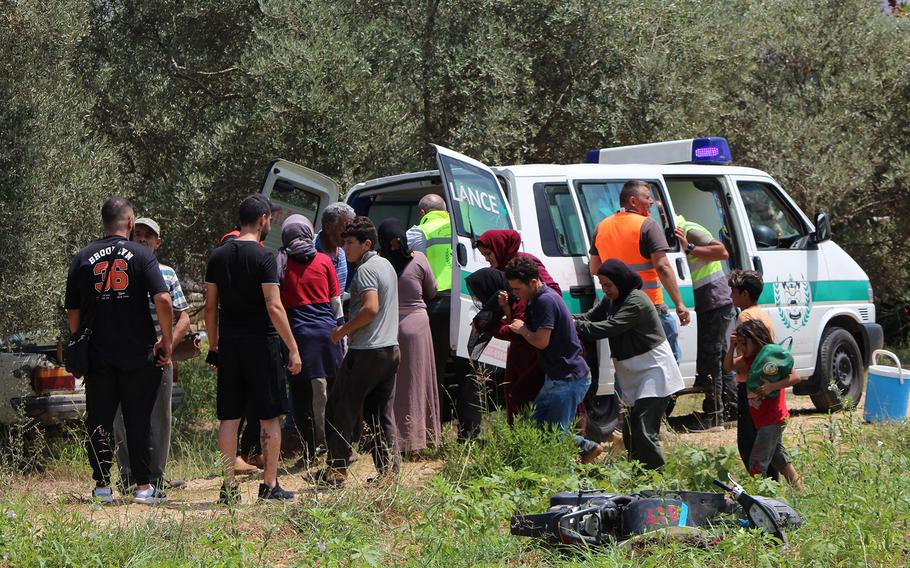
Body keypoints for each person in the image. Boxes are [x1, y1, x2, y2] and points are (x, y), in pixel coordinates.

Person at [64, 197, 173, 505]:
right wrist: (166, 339)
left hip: (98, 354)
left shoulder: (83, 257)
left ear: (104, 222)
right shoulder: (141, 254)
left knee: (99, 419)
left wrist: (77, 339)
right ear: (129, 222)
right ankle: (142, 488)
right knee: (138, 419)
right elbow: (163, 300)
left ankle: (101, 486)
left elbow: (72, 309)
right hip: (137, 353)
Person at [204, 193, 301, 503]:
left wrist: (215, 345)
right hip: (262, 344)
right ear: (262, 220)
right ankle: (269, 485)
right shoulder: (264, 257)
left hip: (230, 346)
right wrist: (293, 348)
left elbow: (209, 308)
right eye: (270, 219)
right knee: (269, 417)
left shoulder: (217, 257)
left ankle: (228, 487)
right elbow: (274, 306)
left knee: (229, 418)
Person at [574, 259, 684, 469]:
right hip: (632, 371)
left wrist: (572, 324)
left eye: (608, 285)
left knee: (643, 428)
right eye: (602, 285)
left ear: (621, 281)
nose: (605, 290)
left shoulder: (636, 301)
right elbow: (589, 318)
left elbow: (608, 327)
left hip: (653, 369)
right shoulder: (611, 300)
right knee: (630, 431)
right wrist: (565, 318)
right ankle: (638, 474)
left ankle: (656, 479)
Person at [317, 216, 400, 486]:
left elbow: (371, 308)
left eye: (350, 243)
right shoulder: (385, 264)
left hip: (367, 350)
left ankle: (336, 472)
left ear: (366, 244)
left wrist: (343, 331)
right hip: (390, 349)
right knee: (379, 414)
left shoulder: (366, 270)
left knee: (341, 407)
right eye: (343, 243)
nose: (345, 249)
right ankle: (389, 473)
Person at [112, 217, 190, 494]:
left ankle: (155, 477)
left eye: (149, 235)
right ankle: (128, 477)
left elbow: (184, 317)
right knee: (121, 417)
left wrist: (168, 343)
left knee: (159, 417)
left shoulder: (167, 273)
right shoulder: (119, 271)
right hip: (125, 355)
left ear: (158, 242)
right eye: (138, 234)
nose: (143, 239)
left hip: (159, 356)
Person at [503, 257, 604, 464]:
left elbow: (541, 341)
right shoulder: (535, 298)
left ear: (533, 283)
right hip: (556, 377)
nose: (516, 294)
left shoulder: (545, 300)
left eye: (518, 289)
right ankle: (579, 455)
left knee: (557, 435)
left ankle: (580, 460)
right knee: (538, 428)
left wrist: (522, 330)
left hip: (568, 378)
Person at [588, 180, 690, 361]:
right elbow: (662, 267)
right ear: (633, 201)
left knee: (627, 362)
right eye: (648, 197)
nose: (651, 202)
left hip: (619, 309)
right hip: (651, 307)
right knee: (666, 362)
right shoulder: (647, 225)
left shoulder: (601, 227)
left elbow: (595, 268)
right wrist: (680, 304)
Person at [277, 215, 343, 467]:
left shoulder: (281, 263)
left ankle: (309, 453)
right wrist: (340, 333)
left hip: (298, 338)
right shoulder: (325, 260)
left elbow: (277, 303)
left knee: (301, 400)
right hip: (328, 337)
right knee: (335, 396)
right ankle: (339, 449)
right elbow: (335, 302)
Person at [378, 219, 442, 456]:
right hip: (417, 327)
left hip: (390, 327)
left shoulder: (380, 262)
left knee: (392, 385)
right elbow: (432, 291)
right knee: (418, 382)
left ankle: (394, 439)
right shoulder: (419, 260)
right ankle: (418, 439)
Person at [405, 195, 465, 434]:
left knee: (433, 368)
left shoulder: (419, 232)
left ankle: (432, 428)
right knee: (467, 370)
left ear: (422, 213)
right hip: (465, 303)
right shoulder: (461, 227)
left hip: (436, 304)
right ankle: (469, 430)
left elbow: (408, 268)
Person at [674, 215, 737, 431]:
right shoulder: (680, 229)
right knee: (720, 357)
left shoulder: (689, 229)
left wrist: (689, 247)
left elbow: (722, 252)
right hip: (711, 300)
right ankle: (731, 411)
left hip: (715, 300)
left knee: (712, 358)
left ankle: (715, 416)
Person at [724, 319, 801, 487]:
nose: (742, 349)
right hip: (761, 419)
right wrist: (732, 346)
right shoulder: (748, 359)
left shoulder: (771, 357)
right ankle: (800, 491)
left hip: (773, 418)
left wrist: (772, 386)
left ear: (757, 339)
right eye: (740, 345)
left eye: (745, 344)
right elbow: (728, 366)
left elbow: (796, 377)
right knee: (778, 457)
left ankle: (760, 498)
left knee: (757, 463)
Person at [726, 269, 783, 479]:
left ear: (745, 294)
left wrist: (731, 364)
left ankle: (763, 489)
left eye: (734, 292)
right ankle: (774, 485)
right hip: (763, 383)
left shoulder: (745, 316)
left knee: (748, 443)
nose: (731, 296)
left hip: (750, 385)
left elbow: (748, 356)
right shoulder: (762, 313)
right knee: (768, 443)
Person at [466, 268, 540, 426]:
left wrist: (489, 327)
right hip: (521, 358)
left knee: (526, 406)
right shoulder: (510, 301)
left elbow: (517, 332)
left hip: (530, 361)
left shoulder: (520, 301)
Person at [475, 229, 561, 294]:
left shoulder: (525, 261)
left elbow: (554, 291)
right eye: (484, 255)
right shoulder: (495, 272)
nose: (486, 259)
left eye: (488, 253)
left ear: (499, 247)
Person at [315, 202, 355, 291]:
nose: (348, 234)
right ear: (328, 227)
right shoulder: (309, 249)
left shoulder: (343, 253)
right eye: (345, 228)